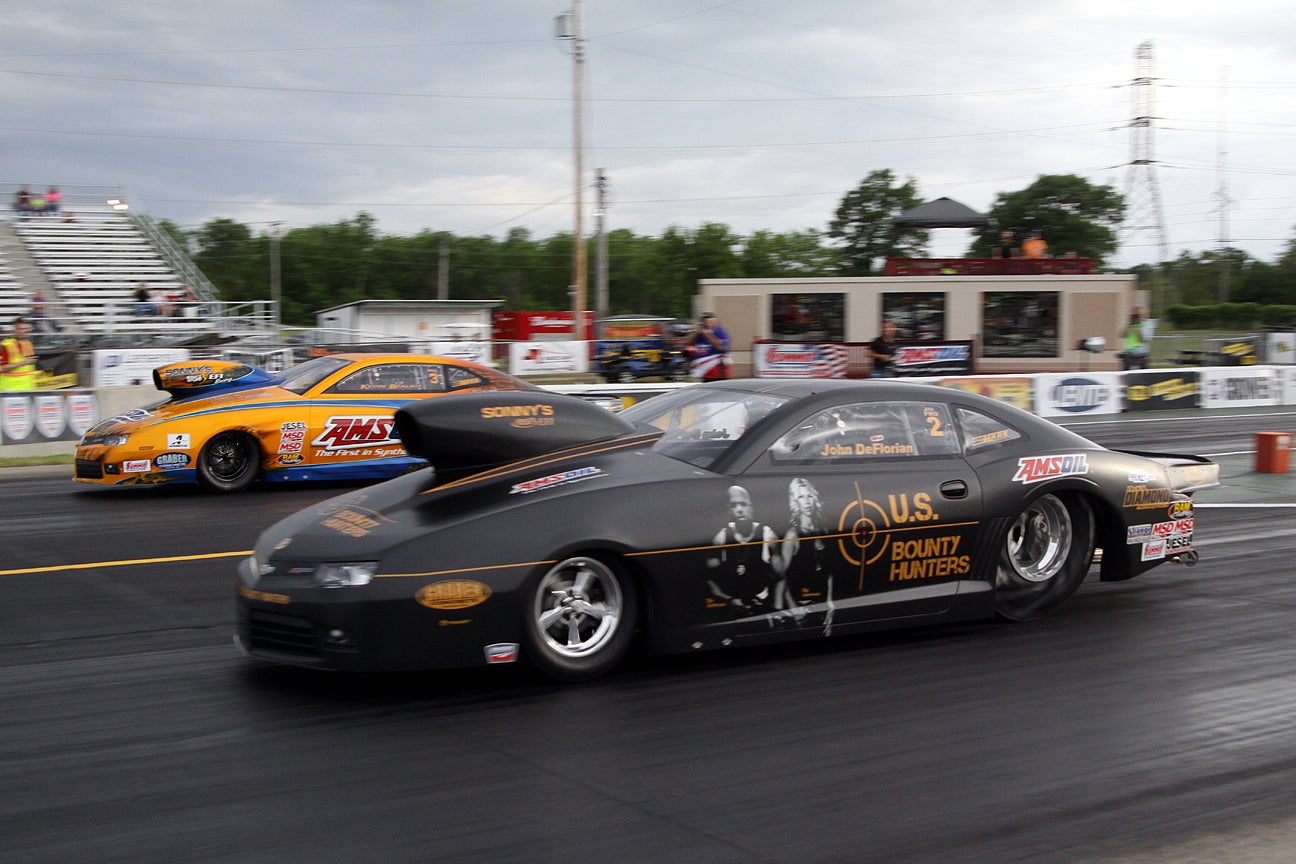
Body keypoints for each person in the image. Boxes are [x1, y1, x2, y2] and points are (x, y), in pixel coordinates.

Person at [706, 485, 781, 623]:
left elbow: (781, 576)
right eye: (734, 506)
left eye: (743, 504)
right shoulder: (721, 539)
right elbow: (708, 580)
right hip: (731, 609)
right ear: (729, 510)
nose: (739, 510)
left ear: (751, 507)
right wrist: (728, 600)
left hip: (762, 607)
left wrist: (776, 609)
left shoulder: (767, 535)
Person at [780, 478, 833, 635]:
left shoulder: (823, 531)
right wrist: (794, 610)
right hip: (800, 608)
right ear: (796, 502)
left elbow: (829, 571)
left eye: (809, 496)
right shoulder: (792, 535)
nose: (807, 502)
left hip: (821, 606)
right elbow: (780, 578)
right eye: (801, 497)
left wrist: (830, 603)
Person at [0, 316, 40, 391]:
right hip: (9, 389)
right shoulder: (5, 345)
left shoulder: (28, 344)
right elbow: (2, 368)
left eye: (27, 328)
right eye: (22, 329)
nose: (26, 331)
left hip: (28, 389)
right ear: (14, 330)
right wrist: (23, 362)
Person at [688, 312, 731, 380]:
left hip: (715, 370)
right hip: (700, 369)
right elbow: (687, 343)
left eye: (707, 320)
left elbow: (721, 347)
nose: (705, 323)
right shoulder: (698, 332)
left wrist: (708, 334)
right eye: (703, 320)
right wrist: (694, 332)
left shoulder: (719, 331)